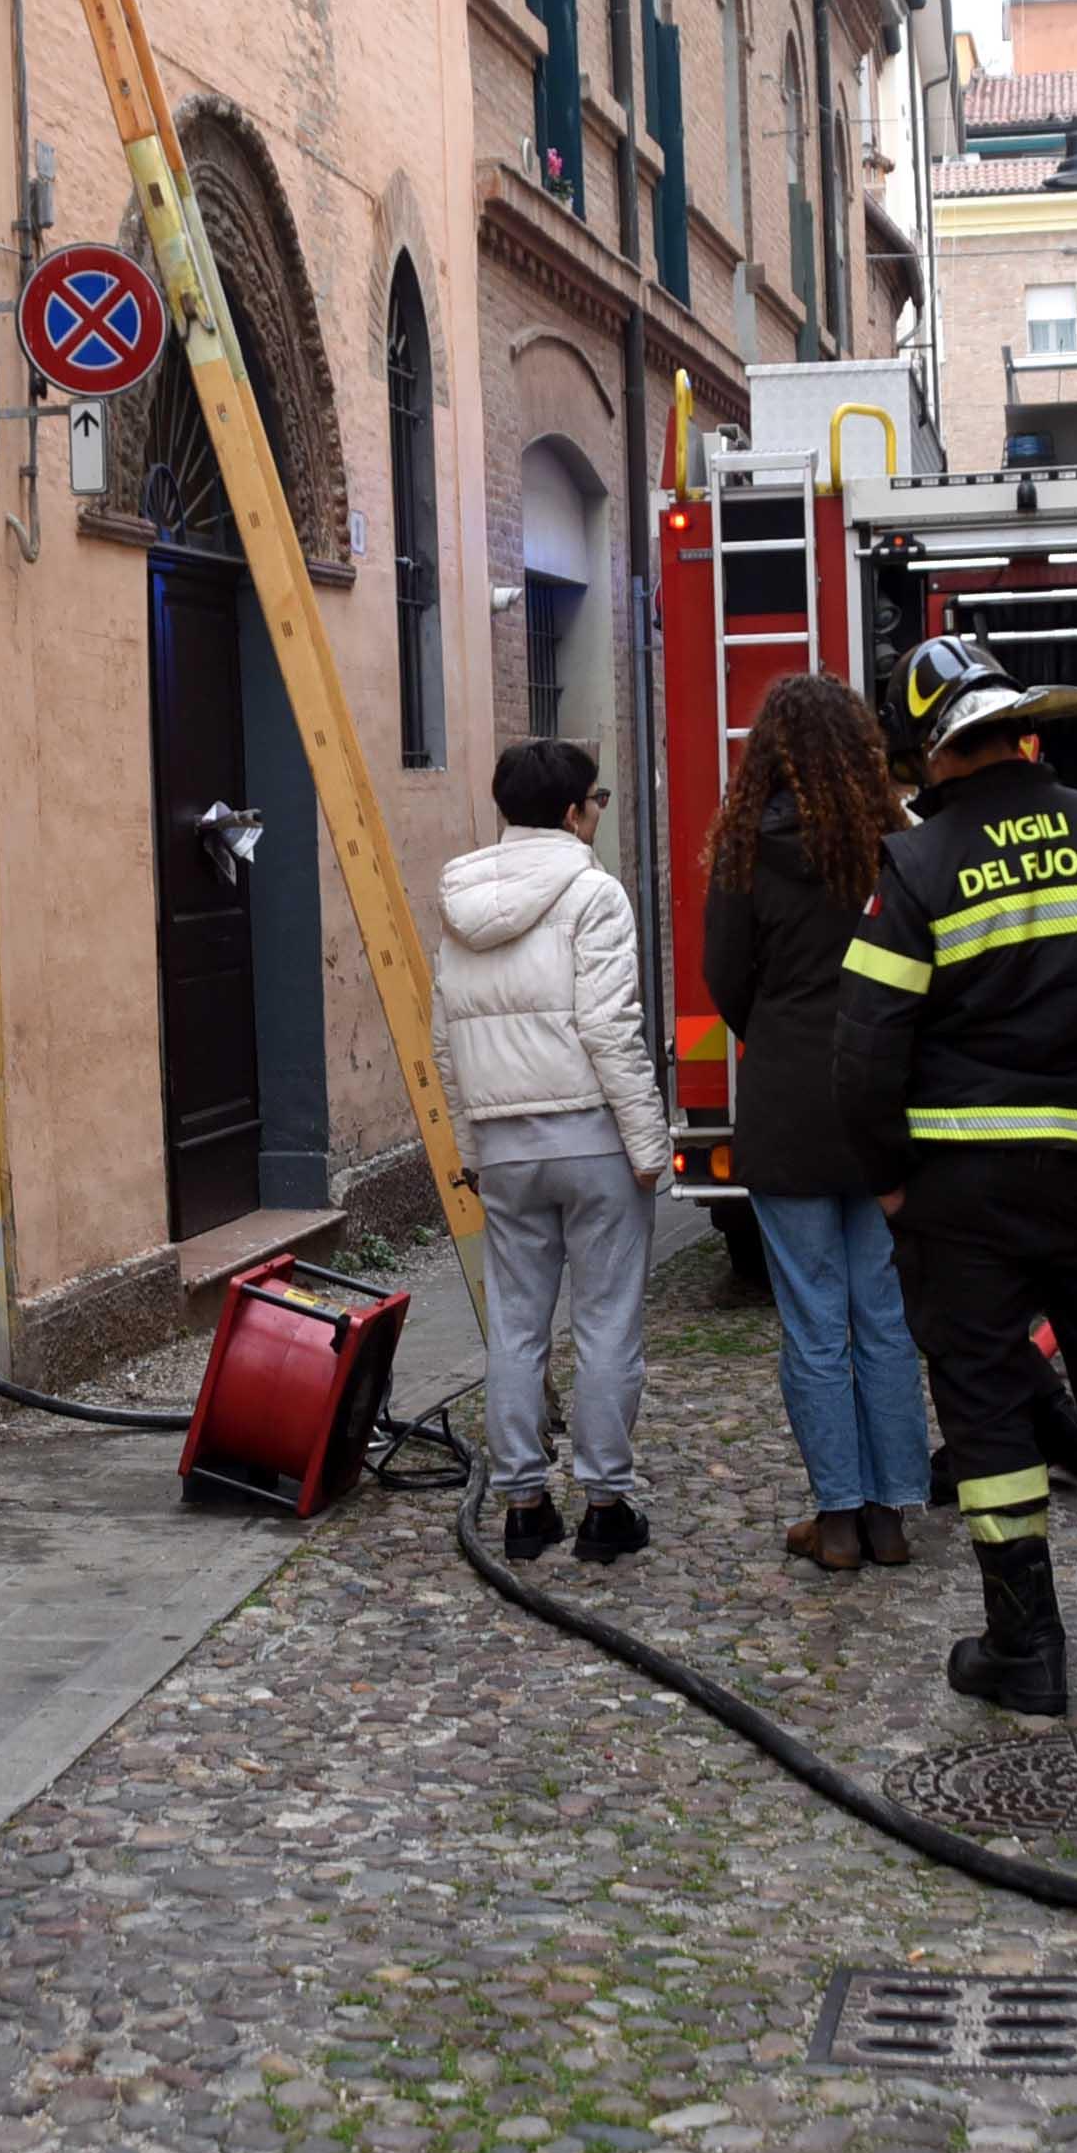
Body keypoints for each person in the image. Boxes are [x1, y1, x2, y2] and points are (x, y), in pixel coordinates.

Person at [834, 637, 1077, 1716]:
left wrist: (885, 1180)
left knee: (983, 1407)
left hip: (960, 1191)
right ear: (1024, 728)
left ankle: (1027, 1642)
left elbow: (864, 1043)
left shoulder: (914, 864)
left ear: (939, 751)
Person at [700, 673, 930, 1575]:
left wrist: (783, 1039)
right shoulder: (900, 850)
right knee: (883, 1315)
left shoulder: (746, 853)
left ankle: (835, 1517)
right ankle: (892, 1514)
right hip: (883, 1105)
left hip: (788, 1105)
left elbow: (727, 979)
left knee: (811, 1320)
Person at [430, 737, 672, 1566]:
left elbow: (445, 1045)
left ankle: (523, 1505)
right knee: (605, 1326)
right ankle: (606, 1507)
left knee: (516, 1327)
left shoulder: (458, 899)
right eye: (594, 803)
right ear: (574, 813)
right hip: (590, 1138)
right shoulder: (593, 893)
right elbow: (609, 1026)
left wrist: (472, 1148)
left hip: (505, 1147)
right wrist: (649, 1143)